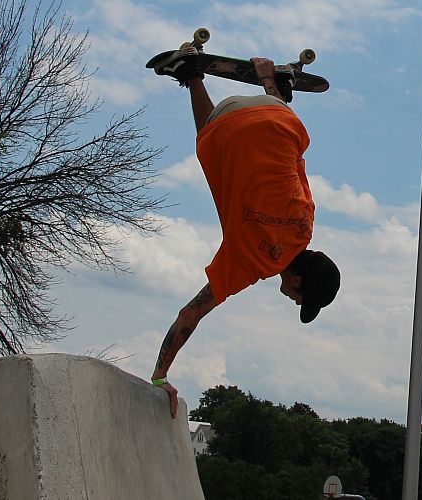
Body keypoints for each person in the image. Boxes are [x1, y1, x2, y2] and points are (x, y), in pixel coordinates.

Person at [149, 47, 340, 418]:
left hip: (278, 116)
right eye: (301, 299)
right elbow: (189, 316)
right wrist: (160, 376)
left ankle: (279, 86)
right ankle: (191, 74)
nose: (296, 302)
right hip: (225, 119)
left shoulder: (305, 225)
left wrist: (269, 82)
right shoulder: (249, 265)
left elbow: (293, 159)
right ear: (296, 280)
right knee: (211, 142)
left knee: (284, 143)